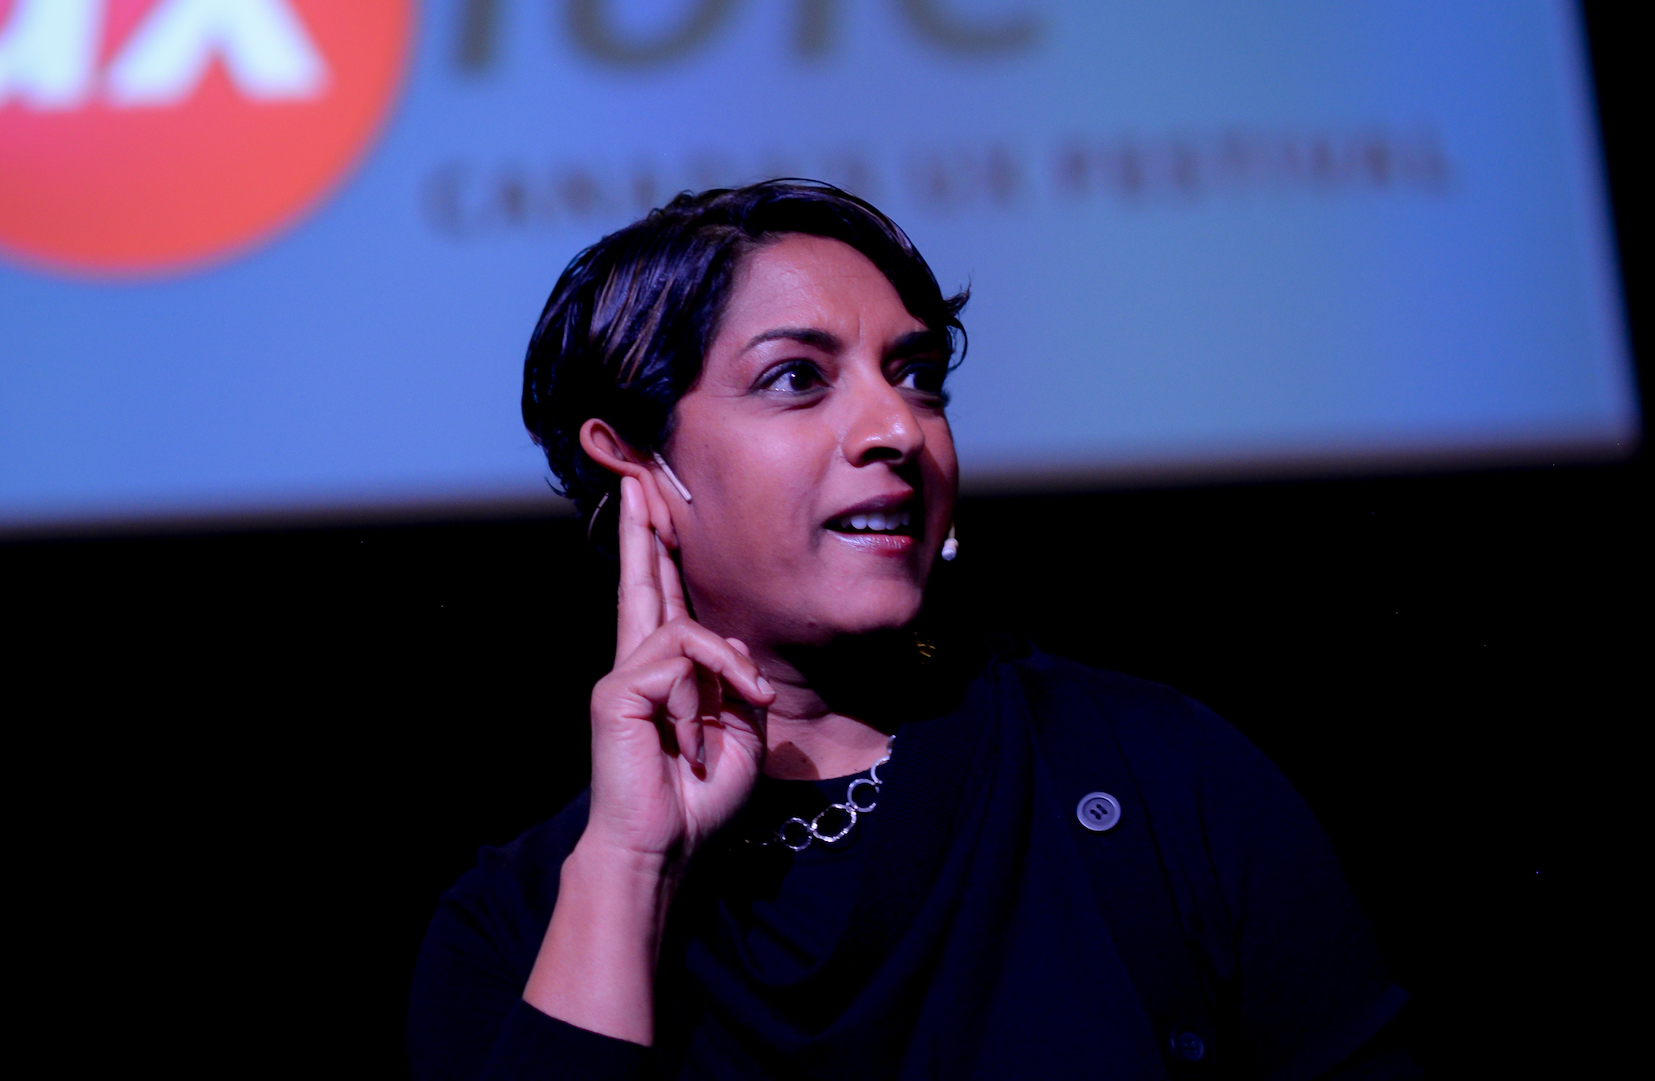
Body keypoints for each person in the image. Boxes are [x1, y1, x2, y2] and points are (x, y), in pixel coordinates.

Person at [409, 181, 1414, 1079]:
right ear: (635, 463)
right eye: (796, 378)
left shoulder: (1157, 772)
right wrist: (631, 865)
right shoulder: (514, 922)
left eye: (918, 374)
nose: (898, 426)